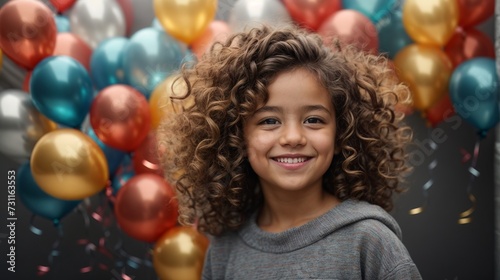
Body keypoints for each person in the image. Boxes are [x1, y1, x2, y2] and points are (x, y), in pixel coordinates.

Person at [158, 24, 422, 279]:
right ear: (237, 137)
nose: (293, 137)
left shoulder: (370, 242)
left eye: (314, 120)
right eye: (269, 121)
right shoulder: (224, 250)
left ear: (341, 134)